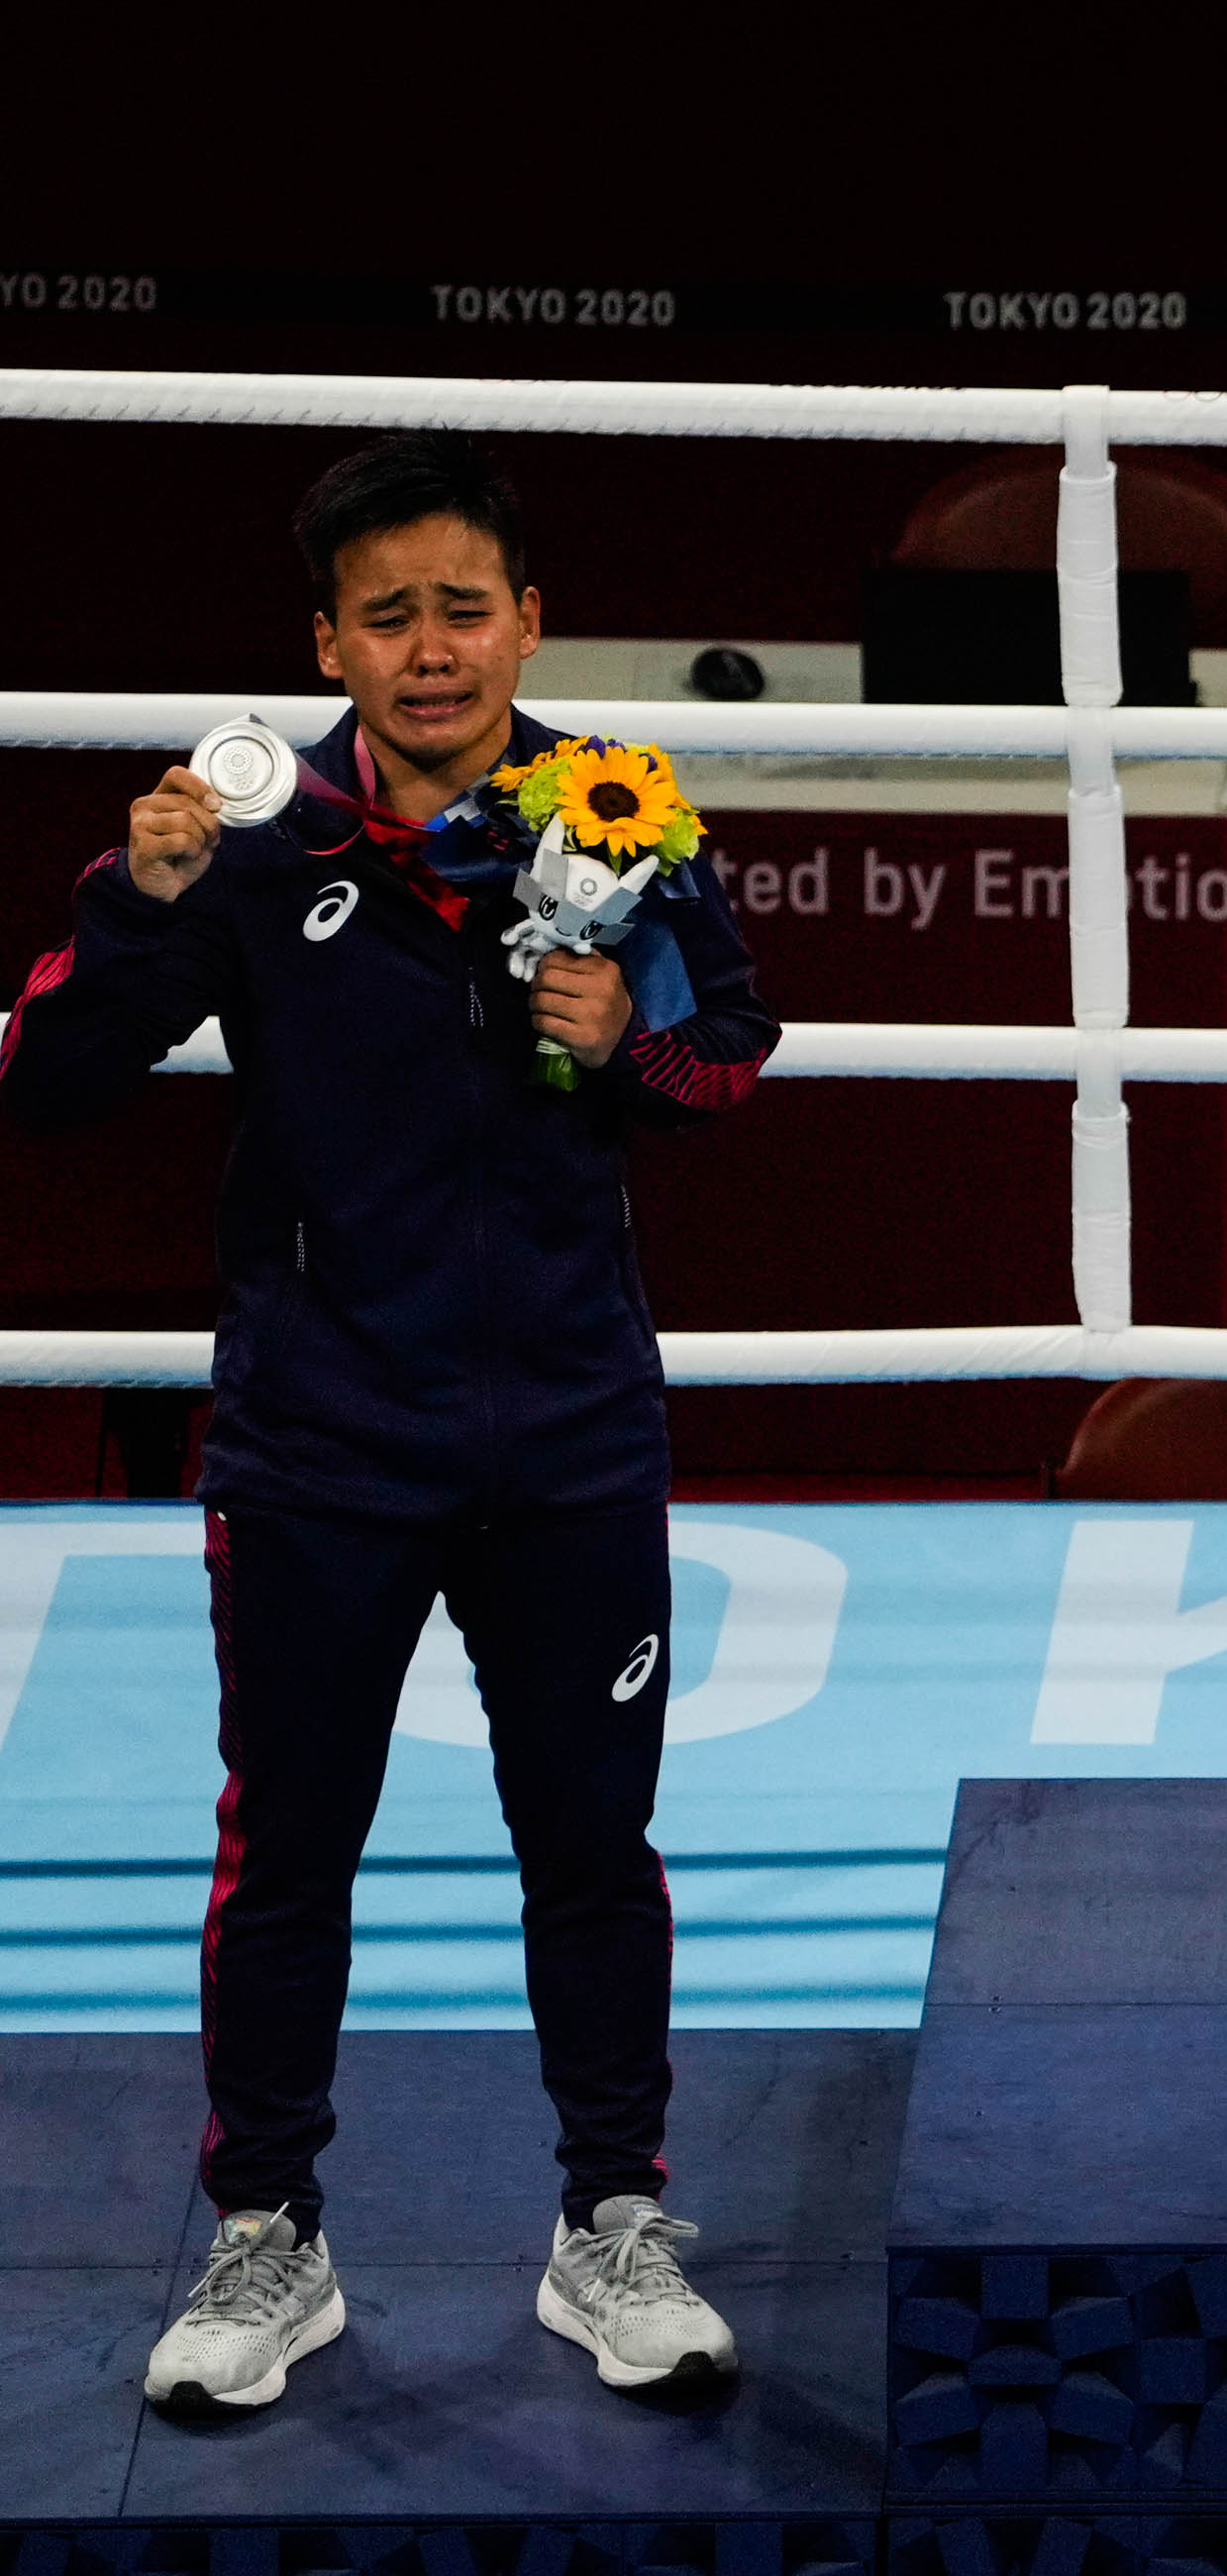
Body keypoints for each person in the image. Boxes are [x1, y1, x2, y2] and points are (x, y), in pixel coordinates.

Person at [1, 435, 778, 2421]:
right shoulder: (252, 845)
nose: (430, 651)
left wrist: (634, 1048)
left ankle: (612, 2218)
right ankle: (269, 2238)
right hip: (320, 1441)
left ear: (527, 619)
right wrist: (132, 887)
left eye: (464, 608)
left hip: (576, 1441)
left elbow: (732, 1060)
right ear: (326, 641)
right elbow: (53, 1079)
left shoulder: (626, 821)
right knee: (292, 1856)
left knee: (593, 1845)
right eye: (387, 616)